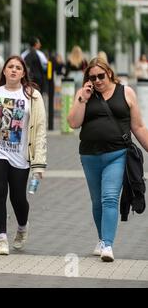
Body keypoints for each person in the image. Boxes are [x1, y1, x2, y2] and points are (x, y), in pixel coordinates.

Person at [67, 57, 148, 262]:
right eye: (92, 77)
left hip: (117, 154)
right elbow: (73, 123)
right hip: (89, 156)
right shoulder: (84, 94)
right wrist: (83, 99)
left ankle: (108, 246)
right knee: (97, 202)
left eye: (100, 76)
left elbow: (138, 127)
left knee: (109, 198)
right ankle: (102, 239)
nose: (97, 81)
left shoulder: (126, 92)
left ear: (109, 73)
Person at [0, 56, 47, 255]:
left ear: (23, 73)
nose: (14, 70)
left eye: (18, 67)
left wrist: (39, 163)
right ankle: (1, 239)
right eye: (10, 67)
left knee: (18, 198)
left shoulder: (33, 96)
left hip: (21, 155)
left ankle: (22, 226)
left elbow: (39, 129)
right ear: (4, 71)